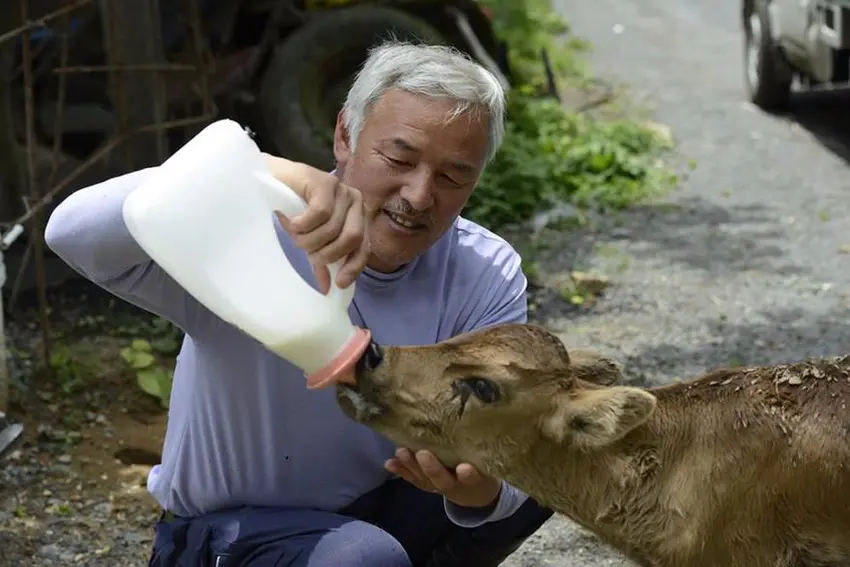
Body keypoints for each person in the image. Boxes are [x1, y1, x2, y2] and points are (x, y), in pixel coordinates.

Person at [44, 40, 553, 566]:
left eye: (453, 176)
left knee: (560, 445)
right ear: (343, 136)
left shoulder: (483, 272)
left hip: (371, 510)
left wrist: (483, 493)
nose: (420, 195)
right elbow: (69, 232)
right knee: (362, 558)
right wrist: (254, 171)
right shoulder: (248, 228)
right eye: (398, 158)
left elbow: (511, 438)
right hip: (229, 534)